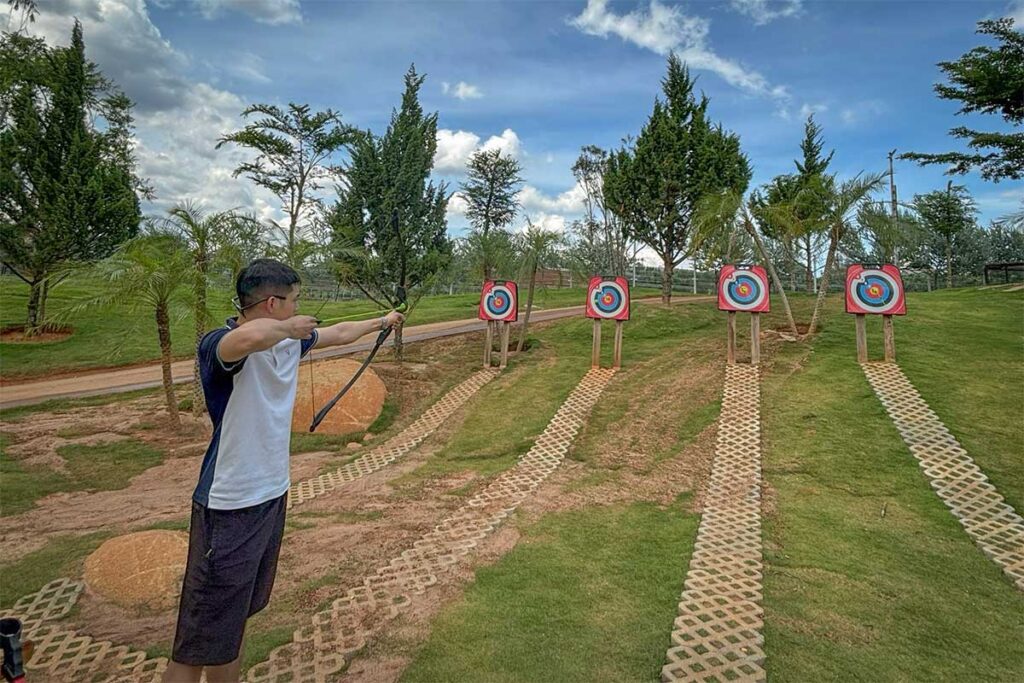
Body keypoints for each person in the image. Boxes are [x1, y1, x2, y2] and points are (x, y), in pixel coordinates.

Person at [163, 259, 404, 683]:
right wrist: (291, 329)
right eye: (293, 301)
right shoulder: (220, 345)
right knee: (198, 636)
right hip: (229, 503)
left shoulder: (289, 341)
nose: (298, 309)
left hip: (270, 496)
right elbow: (247, 337)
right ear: (272, 303)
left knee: (231, 622)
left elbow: (338, 333)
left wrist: (381, 321)